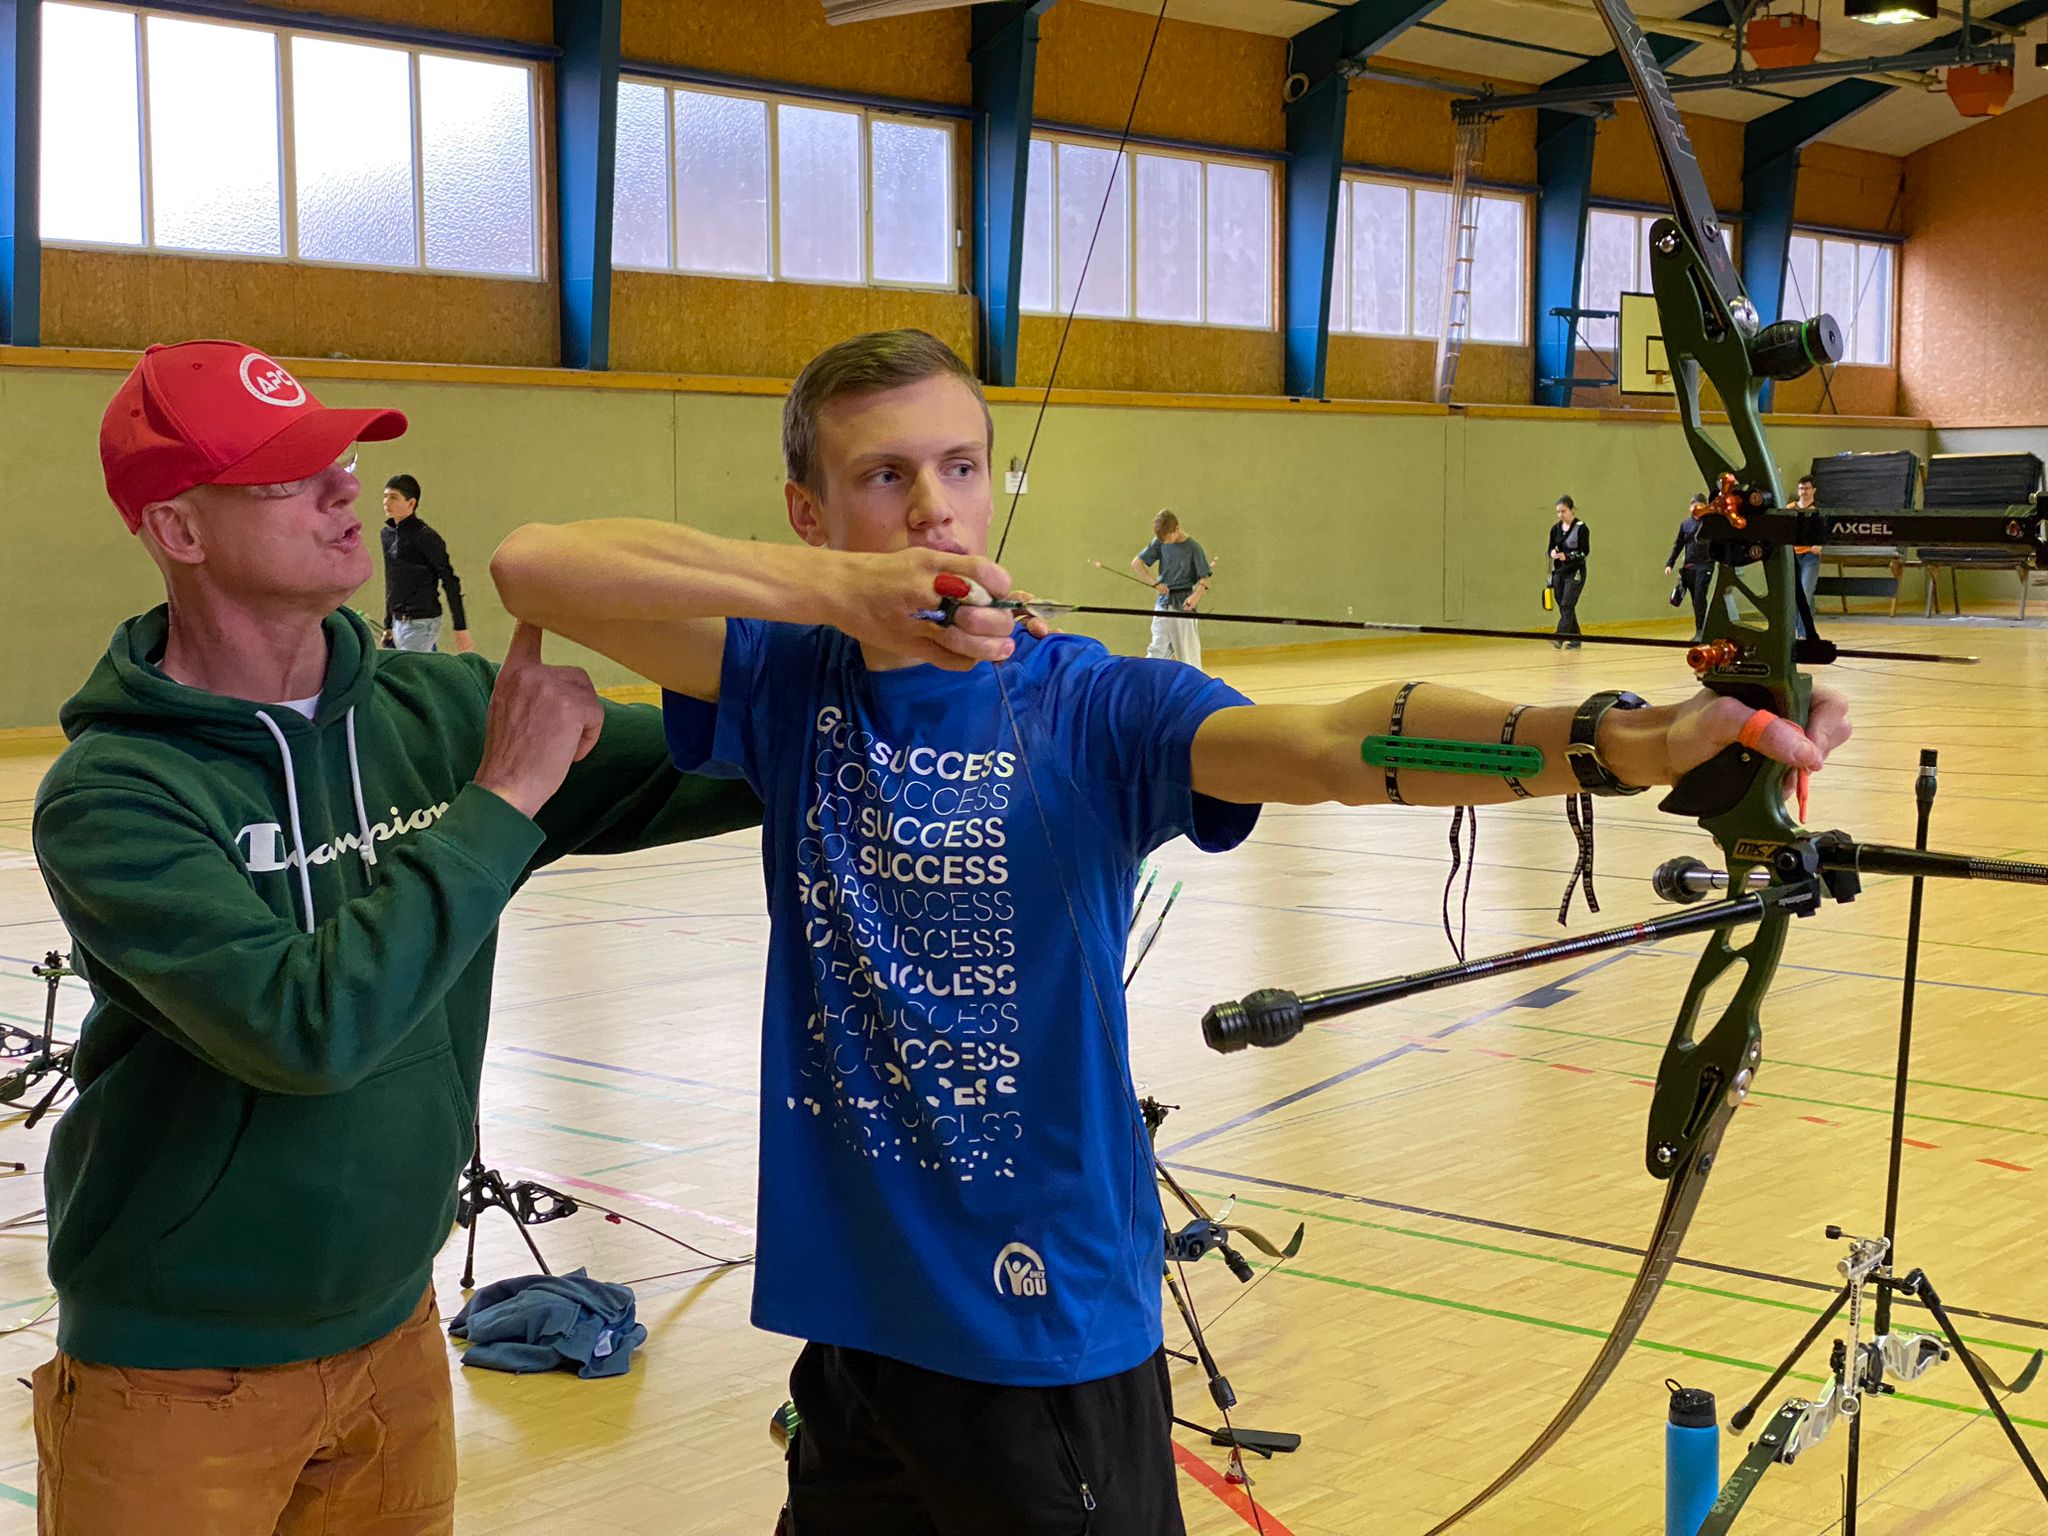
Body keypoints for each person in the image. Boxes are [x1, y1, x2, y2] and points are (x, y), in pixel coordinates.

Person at [490, 328, 1849, 1536]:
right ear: (812, 511)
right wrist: (835, 596)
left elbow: (1326, 741)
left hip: (1045, 1344)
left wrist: (1614, 742)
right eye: (885, 478)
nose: (935, 510)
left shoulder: (1093, 707)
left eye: (961, 469)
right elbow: (534, 565)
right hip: (855, 1336)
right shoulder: (792, 676)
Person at [29, 341, 759, 1536]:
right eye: (285, 474)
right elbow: (307, 1028)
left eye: (338, 459)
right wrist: (502, 799)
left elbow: (731, 761)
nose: (344, 488)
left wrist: (900, 661)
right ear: (180, 529)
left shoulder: (436, 712)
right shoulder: (115, 795)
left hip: (398, 1342)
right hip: (173, 1374)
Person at [382, 472, 472, 653]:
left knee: (409, 672)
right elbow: (391, 581)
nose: (386, 502)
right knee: (423, 670)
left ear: (411, 503)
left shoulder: (425, 537)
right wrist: (389, 623)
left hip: (423, 621)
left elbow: (449, 580)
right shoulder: (387, 534)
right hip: (399, 620)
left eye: (393, 497)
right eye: (385, 497)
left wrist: (460, 628)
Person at [1131, 510, 1212, 671]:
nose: (1166, 543)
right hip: (1163, 604)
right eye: (1163, 540)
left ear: (1177, 529)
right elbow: (1137, 563)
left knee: (1188, 655)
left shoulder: (1193, 548)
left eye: (1168, 538)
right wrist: (1154, 583)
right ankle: (1149, 682)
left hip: (1184, 605)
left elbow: (1205, 577)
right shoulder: (1160, 542)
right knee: (1156, 650)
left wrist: (1196, 595)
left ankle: (1193, 690)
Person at [1665, 492, 1713, 641]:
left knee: (1700, 596)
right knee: (1693, 599)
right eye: (1693, 505)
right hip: (1689, 566)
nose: (1695, 508)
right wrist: (1670, 563)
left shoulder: (1710, 523)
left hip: (1705, 565)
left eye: (1699, 506)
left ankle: (1701, 631)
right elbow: (1678, 545)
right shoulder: (1685, 524)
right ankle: (1699, 629)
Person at [1548, 494, 1589, 648]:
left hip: (1575, 571)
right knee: (1564, 605)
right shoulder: (1555, 529)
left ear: (1572, 510)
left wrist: (1569, 556)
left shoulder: (1581, 528)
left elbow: (1585, 551)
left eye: (1564, 511)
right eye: (1558, 512)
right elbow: (1551, 547)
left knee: (1567, 604)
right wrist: (1553, 553)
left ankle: (1560, 636)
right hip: (1559, 572)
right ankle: (1576, 638)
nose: (1561, 515)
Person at [1792, 475, 1822, 639]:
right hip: (1793, 556)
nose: (1804, 491)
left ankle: (1803, 633)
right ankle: (1803, 631)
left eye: (1807, 488)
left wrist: (1820, 545)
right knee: (1797, 595)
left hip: (1810, 556)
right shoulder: (1790, 508)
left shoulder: (1817, 511)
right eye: (1801, 488)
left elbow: (1825, 531)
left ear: (1813, 490)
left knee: (1805, 592)